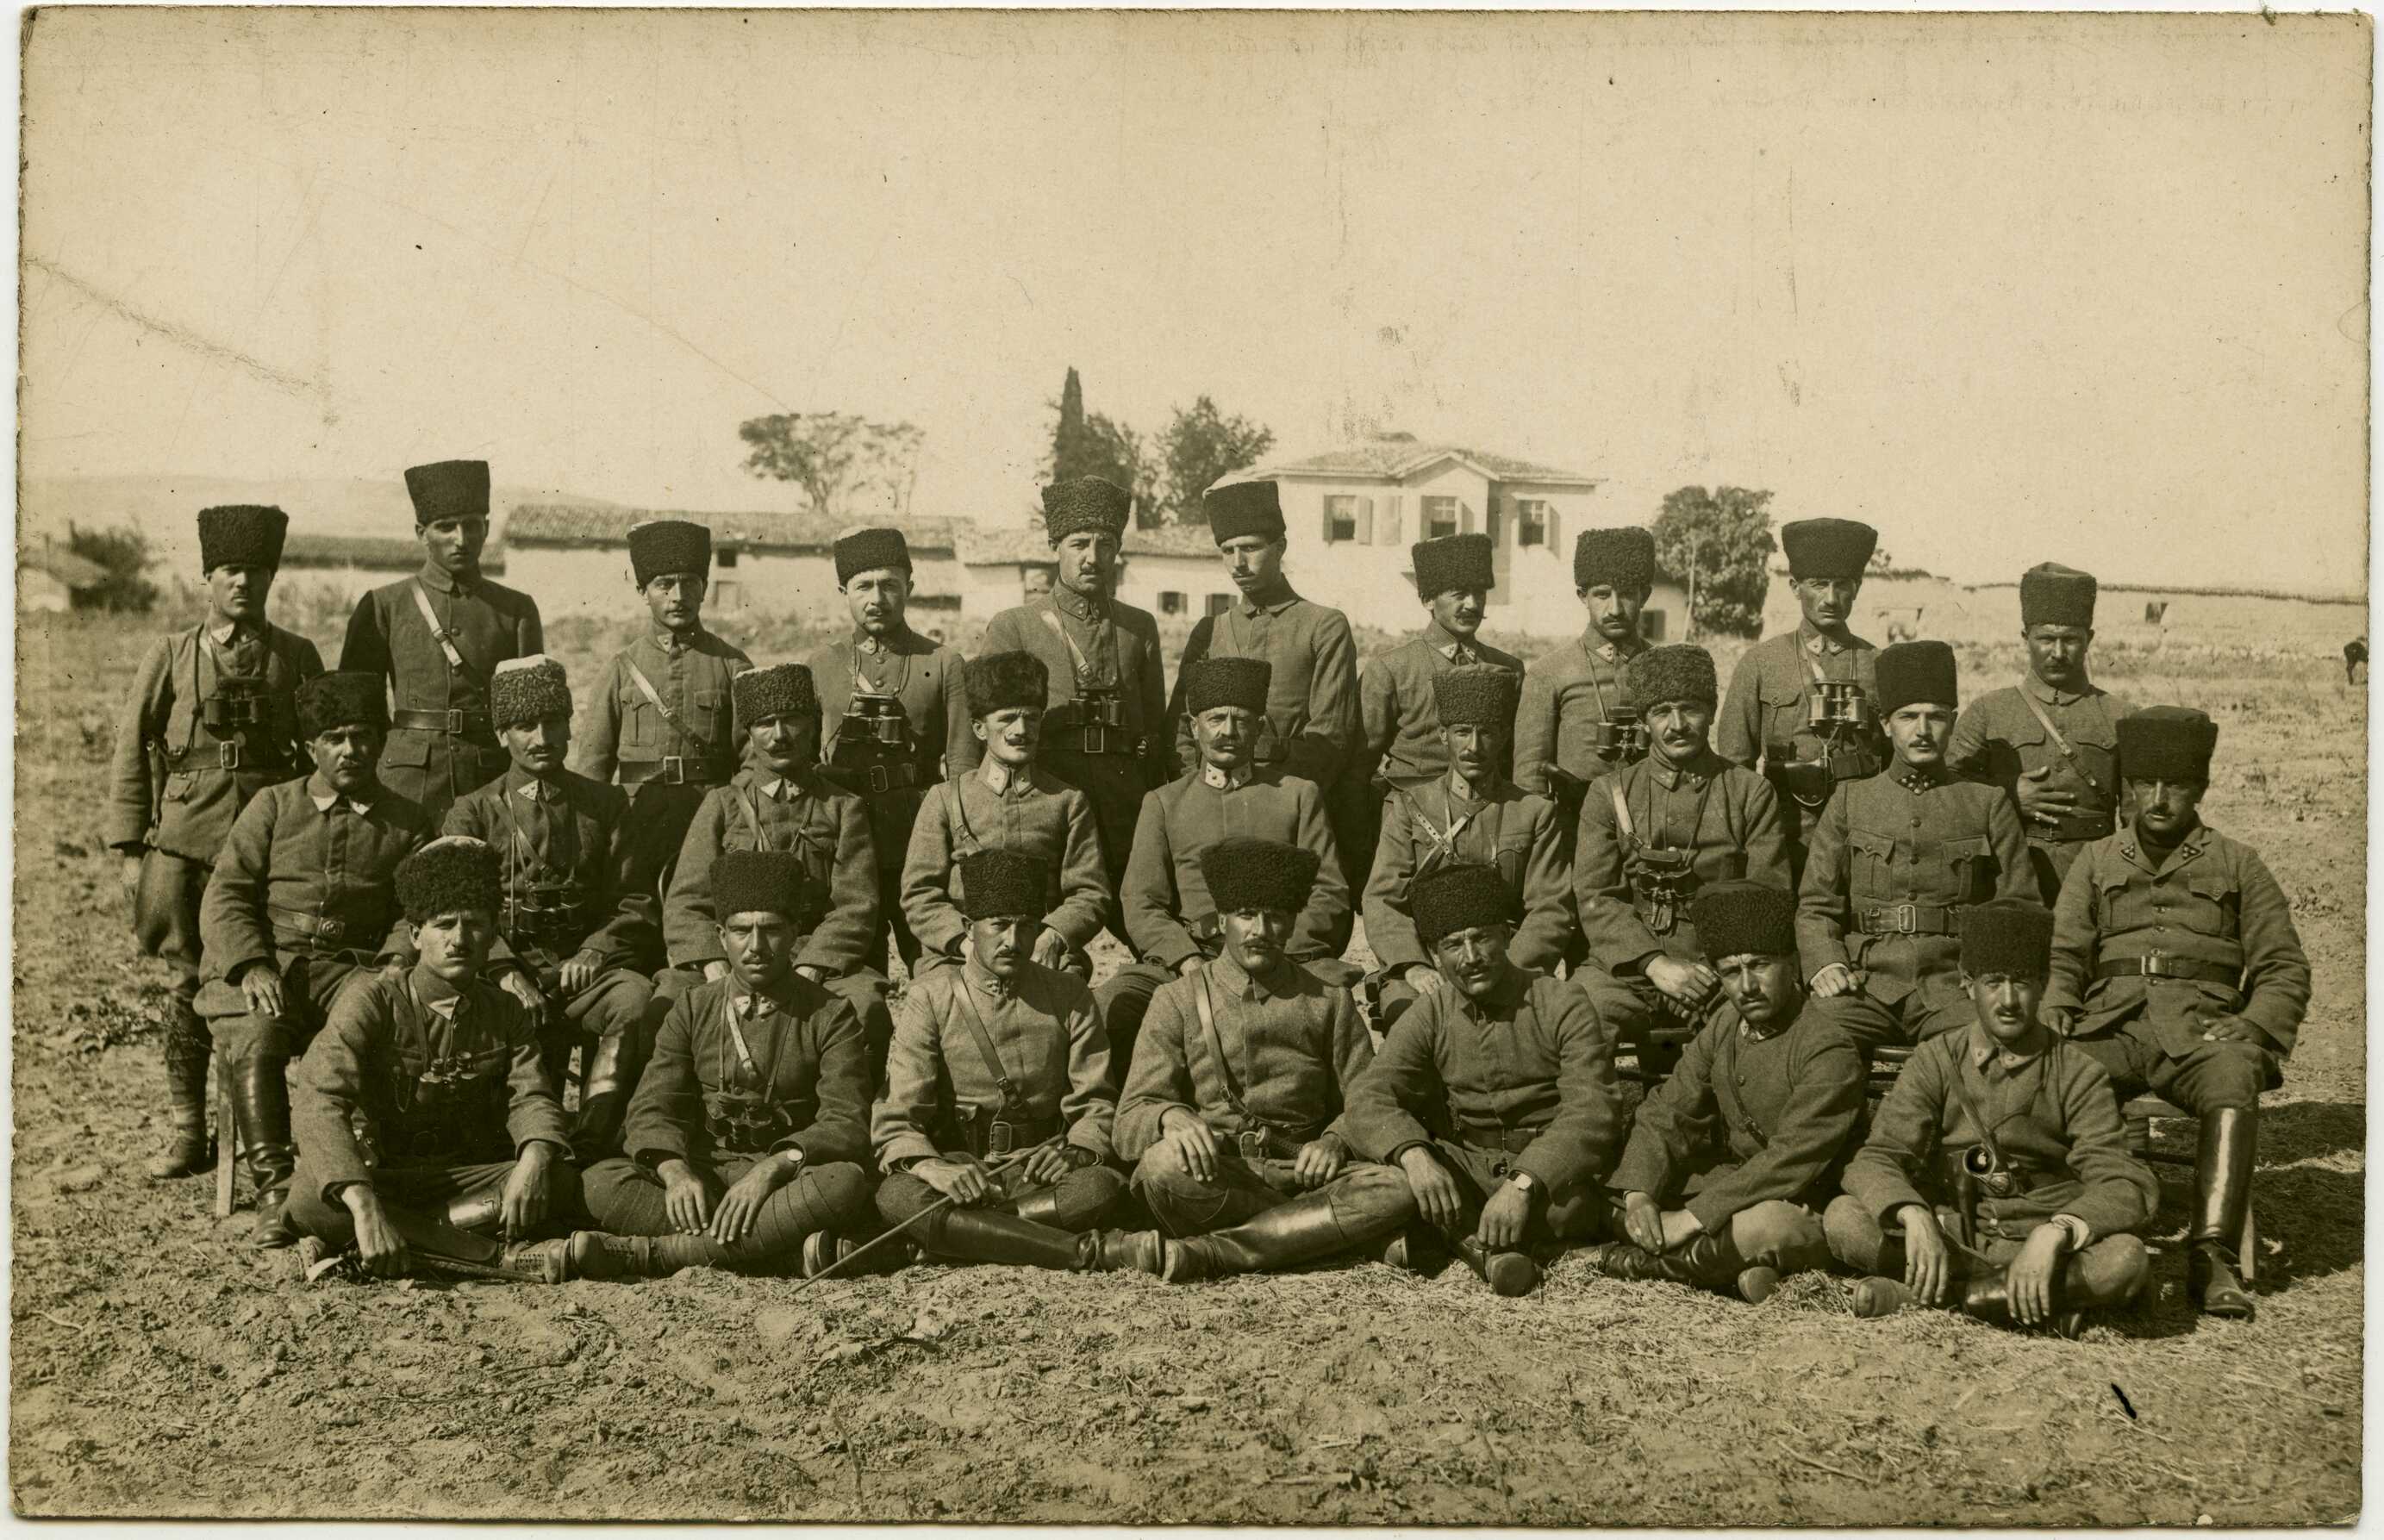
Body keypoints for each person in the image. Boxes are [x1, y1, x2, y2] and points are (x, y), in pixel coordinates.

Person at [2046, 706, 2310, 1319]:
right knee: (2052, 1073)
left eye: (2177, 785)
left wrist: (2255, 1023)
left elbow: (2283, 966)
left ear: (2201, 789)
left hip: (2198, 1035)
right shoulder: (2097, 860)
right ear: (2130, 788)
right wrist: (2058, 1003)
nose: (2160, 799)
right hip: (2110, 1026)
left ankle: (2212, 1254)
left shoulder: (2239, 863)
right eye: (2146, 784)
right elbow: (2064, 953)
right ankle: (2065, 1232)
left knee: (2234, 1073)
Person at [284, 838, 635, 1283]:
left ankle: (390, 1244)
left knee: (564, 1181)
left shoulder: (505, 1010)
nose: (459, 940)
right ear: (416, 935)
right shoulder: (371, 1000)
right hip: (389, 1176)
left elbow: (531, 1096)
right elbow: (319, 1098)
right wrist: (364, 1203)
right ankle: (501, 1258)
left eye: (474, 924)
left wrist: (534, 1157)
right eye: (444, 925)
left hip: (475, 1176)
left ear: (493, 935)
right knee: (310, 1200)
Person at [106, 504, 324, 1179]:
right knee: (183, 982)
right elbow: (131, 747)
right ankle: (187, 1131)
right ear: (208, 576)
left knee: (266, 978)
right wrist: (130, 850)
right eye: (230, 569)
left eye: (256, 571)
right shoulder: (172, 654)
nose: (243, 582)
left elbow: (323, 747)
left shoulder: (296, 656)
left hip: (268, 849)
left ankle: (266, 1131)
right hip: (186, 845)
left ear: (271, 578)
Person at [1825, 899, 2155, 1335]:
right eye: (1993, 982)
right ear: (1967, 983)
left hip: (2040, 1241)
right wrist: (1913, 1214)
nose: (2008, 1001)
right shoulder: (1936, 1059)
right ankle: (2027, 1299)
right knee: (1844, 1219)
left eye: (2022, 983)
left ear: (2044, 984)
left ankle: (1938, 1295)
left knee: (2124, 1258)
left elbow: (2123, 1182)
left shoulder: (2078, 1072)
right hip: (1955, 1234)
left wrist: (2056, 1232)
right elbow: (1878, 1156)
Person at [197, 671, 434, 1244]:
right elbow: (227, 893)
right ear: (311, 748)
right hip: (270, 962)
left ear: (379, 742)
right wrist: (251, 963)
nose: (350, 750)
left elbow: (417, 909)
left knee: (375, 1020)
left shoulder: (407, 821)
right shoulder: (273, 805)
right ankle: (276, 1192)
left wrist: (395, 959)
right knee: (257, 1031)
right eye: (335, 738)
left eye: (362, 736)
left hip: (353, 967)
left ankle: (372, 1172)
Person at [1116, 838, 1414, 1282]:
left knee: (1397, 1188)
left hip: (1304, 1175)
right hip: (1220, 1173)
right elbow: (1128, 1121)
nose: (1260, 930)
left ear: (1292, 924)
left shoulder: (1328, 1001)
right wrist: (1169, 1117)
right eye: (1246, 915)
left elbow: (1366, 1102)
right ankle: (1317, 1234)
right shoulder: (1176, 1000)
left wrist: (1335, 1142)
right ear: (1222, 920)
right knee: (1160, 1169)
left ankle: (1213, 1252)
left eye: (1275, 917)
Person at [581, 850, 879, 1278]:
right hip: (707, 1176)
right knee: (599, 1181)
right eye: (742, 931)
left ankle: (656, 1254)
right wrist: (675, 1171)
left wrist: (772, 1169)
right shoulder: (692, 1006)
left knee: (843, 1183)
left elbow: (845, 1121)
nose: (756, 946)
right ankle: (777, 1251)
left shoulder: (831, 1014)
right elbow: (652, 1106)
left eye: (771, 930)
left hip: (786, 1179)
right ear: (721, 937)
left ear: (795, 934)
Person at [871, 849, 1165, 1275]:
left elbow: (1098, 1101)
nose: (1013, 940)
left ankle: (954, 1238)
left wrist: (1078, 1152)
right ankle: (1081, 1251)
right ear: (969, 929)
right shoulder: (929, 997)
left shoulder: (1069, 995)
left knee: (1097, 1189)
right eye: (999, 925)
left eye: (1027, 926)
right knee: (897, 1195)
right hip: (960, 1170)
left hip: (1037, 1175)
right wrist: (930, 1166)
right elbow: (899, 1114)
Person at [1342, 863, 1621, 1297]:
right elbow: (1370, 1093)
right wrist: (1415, 1155)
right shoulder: (1431, 1013)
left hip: (1546, 1173)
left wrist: (1524, 1181)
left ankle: (1465, 1241)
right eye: (1453, 944)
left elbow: (1592, 1110)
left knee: (1567, 1211)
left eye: (1482, 937)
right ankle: (1492, 1247)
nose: (1471, 957)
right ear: (1434, 954)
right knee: (1400, 1187)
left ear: (1507, 936)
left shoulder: (1561, 1002)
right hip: (1469, 1166)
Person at [1588, 882, 1862, 1300]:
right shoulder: (1726, 1025)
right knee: (1606, 1195)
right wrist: (1639, 1195)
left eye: (1760, 965)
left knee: (1767, 1229)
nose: (1747, 986)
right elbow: (1670, 1109)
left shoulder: (1827, 1045)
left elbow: (1789, 1160)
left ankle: (1629, 1261)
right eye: (1731, 972)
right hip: (1737, 1184)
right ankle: (1729, 1266)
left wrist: (1690, 1219)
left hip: (1800, 1198)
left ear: (1792, 965)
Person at [444, 656, 661, 1160]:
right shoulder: (473, 811)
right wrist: (502, 969)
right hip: (502, 976)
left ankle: (592, 1139)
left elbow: (633, 899)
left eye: (553, 722)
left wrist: (595, 951)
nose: (542, 738)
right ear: (502, 735)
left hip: (583, 978)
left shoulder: (605, 804)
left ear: (569, 726)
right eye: (525, 726)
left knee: (635, 1000)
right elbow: (457, 907)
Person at [1098, 657, 1351, 1075]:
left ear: (1260, 727)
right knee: (1115, 1002)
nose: (1228, 731)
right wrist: (1186, 959)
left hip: (1281, 954)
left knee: (1337, 1003)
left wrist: (1277, 954)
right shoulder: (1164, 803)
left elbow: (1329, 891)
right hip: (1191, 959)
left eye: (1242, 720)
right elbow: (1141, 901)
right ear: (1193, 726)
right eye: (1216, 719)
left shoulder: (1297, 795)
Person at [1796, 641, 2032, 1055]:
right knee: (1813, 1039)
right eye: (1908, 717)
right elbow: (1816, 904)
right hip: (1864, 986)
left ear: (1953, 723)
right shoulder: (1851, 800)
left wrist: (1986, 980)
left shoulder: (1987, 803)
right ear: (1886, 724)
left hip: (1953, 988)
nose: (1922, 730)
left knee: (1982, 1048)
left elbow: (2019, 908)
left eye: (1936, 717)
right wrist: (1826, 962)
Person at [663, 663, 892, 1082]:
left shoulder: (843, 807)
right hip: (735, 957)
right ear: (749, 733)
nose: (780, 735)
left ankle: (850, 1111)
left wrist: (812, 967)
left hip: (809, 957)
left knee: (865, 1004)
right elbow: (686, 902)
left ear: (813, 726)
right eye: (765, 723)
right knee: (666, 1002)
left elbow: (856, 905)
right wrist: (714, 962)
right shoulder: (722, 805)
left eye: (792, 720)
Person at [1570, 645, 1788, 1059]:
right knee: (1578, 1016)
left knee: (1750, 1036)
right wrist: (1654, 964)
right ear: (1643, 720)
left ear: (1712, 711)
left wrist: (1714, 970)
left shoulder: (1749, 792)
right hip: (1629, 968)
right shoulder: (1608, 793)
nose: (1677, 725)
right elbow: (1596, 896)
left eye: (1690, 709)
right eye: (1661, 712)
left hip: (1721, 968)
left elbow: (1766, 895)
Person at [980, 477, 1173, 942]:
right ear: (1055, 547)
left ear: (1117, 550)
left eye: (1105, 545)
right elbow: (988, 727)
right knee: (1039, 937)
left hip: (1125, 804)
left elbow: (1154, 726)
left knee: (1150, 928)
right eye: (1079, 544)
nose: (1092, 557)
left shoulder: (1138, 627)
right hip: (1049, 803)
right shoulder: (1016, 627)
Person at [1166, 479, 1363, 885]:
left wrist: (1275, 800)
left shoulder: (1323, 626)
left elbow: (1330, 737)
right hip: (1211, 805)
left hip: (1288, 807)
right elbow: (1182, 728)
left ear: (1280, 547)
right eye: (1227, 551)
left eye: (1251, 548)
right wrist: (1198, 792)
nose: (1238, 563)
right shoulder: (1210, 630)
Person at [803, 527, 980, 976]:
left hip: (918, 838)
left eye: (889, 585)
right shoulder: (821, 665)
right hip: (845, 842)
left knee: (937, 964)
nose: (877, 598)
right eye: (863, 586)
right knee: (854, 972)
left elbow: (963, 766)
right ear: (844, 592)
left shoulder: (943, 663)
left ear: (910, 588)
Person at [1363, 665, 1570, 1031]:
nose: (1474, 747)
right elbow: (1383, 899)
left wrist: (1507, 969)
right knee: (1412, 1021)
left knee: (1532, 1027)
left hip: (1508, 962)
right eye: (1462, 732)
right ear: (1443, 736)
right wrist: (1413, 966)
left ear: (1503, 737)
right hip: (1429, 964)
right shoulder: (1410, 806)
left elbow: (1550, 907)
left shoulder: (1534, 812)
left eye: (1486, 732)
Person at [339, 459, 543, 825]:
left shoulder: (516, 609)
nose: (461, 539)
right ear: (422, 533)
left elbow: (531, 714)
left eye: (472, 525)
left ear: (486, 528)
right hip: (406, 783)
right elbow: (355, 710)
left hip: (489, 778)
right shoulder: (384, 606)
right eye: (446, 527)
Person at [899, 652, 1110, 977]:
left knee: (1066, 991)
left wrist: (1053, 937)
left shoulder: (1068, 801)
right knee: (937, 997)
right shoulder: (945, 799)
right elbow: (919, 894)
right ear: (979, 728)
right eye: (1007, 718)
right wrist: (965, 943)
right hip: (959, 957)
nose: (1021, 730)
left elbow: (1090, 892)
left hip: (1040, 951)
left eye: (1032, 718)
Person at [574, 519, 753, 898]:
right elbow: (593, 768)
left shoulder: (732, 666)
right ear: (643, 591)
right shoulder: (620, 669)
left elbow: (752, 760)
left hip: (709, 822)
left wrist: (731, 818)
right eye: (664, 584)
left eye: (690, 582)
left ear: (705, 587)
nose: (678, 596)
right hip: (636, 824)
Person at [1347, 533, 1524, 895]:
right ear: (1428, 599)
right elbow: (1359, 766)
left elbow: (1511, 757)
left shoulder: (1508, 669)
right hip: (1410, 821)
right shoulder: (1392, 668)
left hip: (1488, 818)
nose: (1472, 604)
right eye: (1458, 594)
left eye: (1479, 593)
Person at [1948, 563, 2134, 903]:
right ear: (2025, 639)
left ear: (2089, 639)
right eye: (2046, 639)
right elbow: (1948, 788)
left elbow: (2136, 818)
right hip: (2009, 875)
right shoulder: (1988, 711)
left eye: (2071, 640)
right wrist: (2007, 792)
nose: (2058, 653)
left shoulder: (2121, 715)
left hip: (2095, 877)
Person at [1715, 517, 1887, 874]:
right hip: (1785, 830)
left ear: (1857, 588)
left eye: (1842, 585)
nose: (1830, 598)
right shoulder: (1761, 662)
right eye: (1818, 584)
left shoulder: (1878, 663)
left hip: (1862, 832)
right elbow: (1735, 764)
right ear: (1795, 587)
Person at [1513, 526, 1657, 845]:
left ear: (1644, 596)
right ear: (1583, 596)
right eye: (1602, 595)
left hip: (1652, 826)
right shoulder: (1549, 672)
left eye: (1627, 594)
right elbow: (1530, 776)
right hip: (1574, 831)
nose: (1615, 609)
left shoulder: (1662, 667)